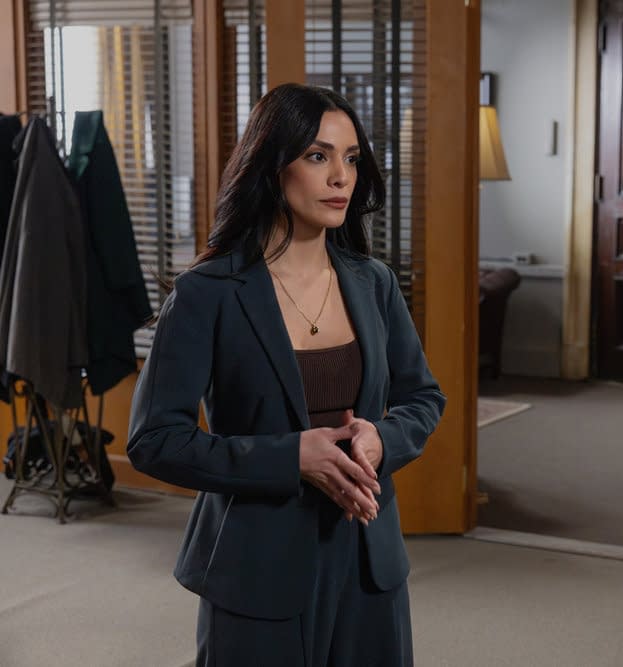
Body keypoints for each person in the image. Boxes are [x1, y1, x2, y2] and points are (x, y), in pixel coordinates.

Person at [127, 83, 445, 666]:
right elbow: (155, 440)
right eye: (318, 156)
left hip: (368, 561)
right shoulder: (207, 293)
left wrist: (382, 440)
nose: (341, 177)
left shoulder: (374, 282)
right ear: (272, 166)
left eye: (352, 159)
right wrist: (291, 457)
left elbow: (423, 398)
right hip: (256, 564)